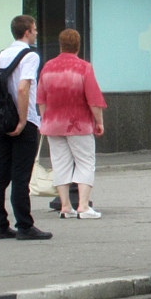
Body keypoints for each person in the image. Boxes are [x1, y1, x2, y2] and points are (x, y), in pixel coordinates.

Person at [0, 15, 51, 240]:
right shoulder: (30, 55)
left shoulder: (0, 56)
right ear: (26, 32)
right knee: (21, 174)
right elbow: (24, 88)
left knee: (1, 172)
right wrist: (23, 120)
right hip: (24, 121)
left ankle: (0, 225)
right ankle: (25, 225)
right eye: (34, 29)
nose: (36, 33)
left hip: (3, 120)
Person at [36, 29, 107, 220]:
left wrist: (45, 119)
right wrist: (99, 122)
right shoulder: (84, 67)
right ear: (78, 45)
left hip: (53, 124)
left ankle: (65, 206)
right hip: (78, 124)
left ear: (60, 45)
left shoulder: (48, 67)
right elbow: (94, 100)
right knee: (85, 162)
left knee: (60, 164)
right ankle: (83, 206)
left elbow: (41, 98)